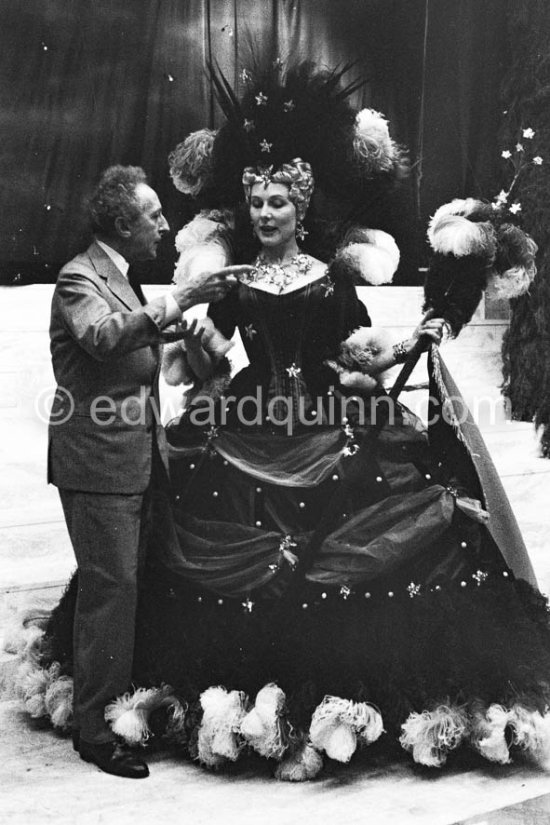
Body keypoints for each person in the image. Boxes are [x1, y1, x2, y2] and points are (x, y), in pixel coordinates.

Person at [22, 63, 550, 782]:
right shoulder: (234, 282)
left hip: (330, 419)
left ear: (301, 210)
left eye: (278, 203)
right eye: (258, 202)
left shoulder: (332, 281)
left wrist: (407, 344)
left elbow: (354, 352)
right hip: (247, 418)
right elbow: (205, 355)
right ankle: (122, 692)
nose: (266, 213)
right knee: (171, 531)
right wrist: (199, 353)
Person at [47, 164, 249, 778]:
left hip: (133, 460)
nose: (165, 224)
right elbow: (104, 338)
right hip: (99, 467)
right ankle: (94, 735)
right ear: (120, 222)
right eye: (153, 214)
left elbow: (137, 358)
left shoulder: (122, 278)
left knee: (125, 588)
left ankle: (115, 715)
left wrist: (176, 326)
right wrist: (177, 301)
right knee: (110, 593)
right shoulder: (78, 277)